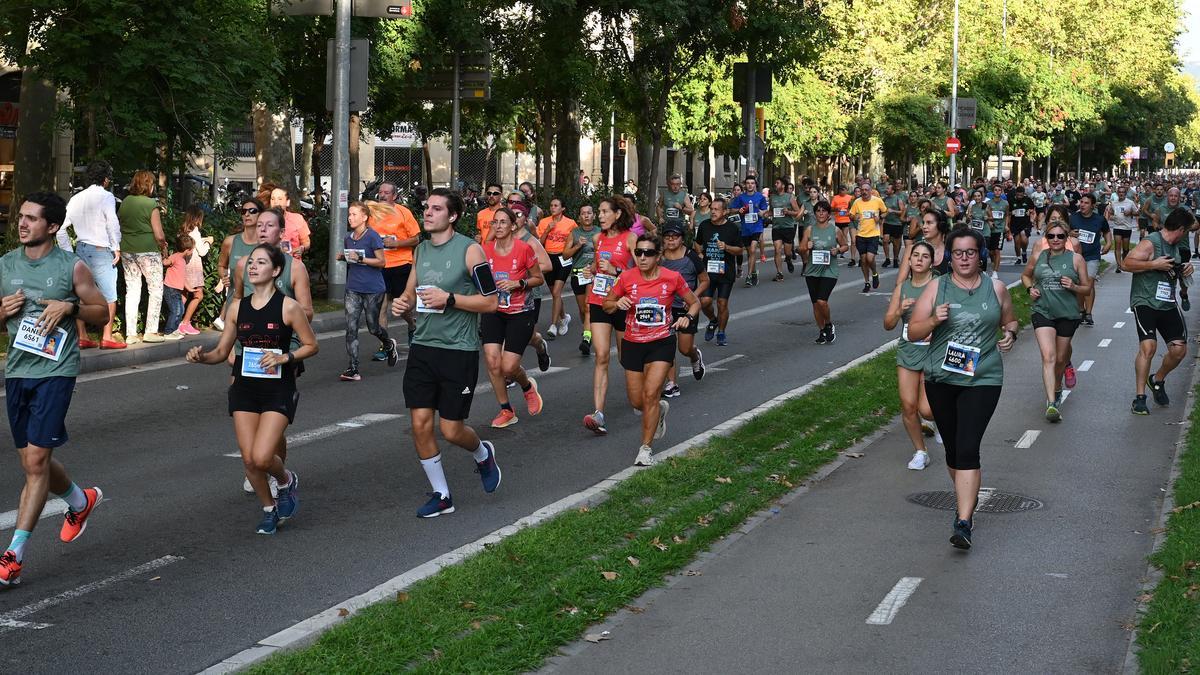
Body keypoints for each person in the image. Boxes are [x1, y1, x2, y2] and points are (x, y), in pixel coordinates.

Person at [0, 192, 110, 586]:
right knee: (34, 461)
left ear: (52, 227)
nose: (23, 223)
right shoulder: (6, 265)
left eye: (32, 218)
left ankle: (14, 554)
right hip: (17, 372)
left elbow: (102, 312)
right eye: (21, 217)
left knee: (34, 464)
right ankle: (81, 502)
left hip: (55, 371)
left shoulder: (71, 267)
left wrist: (70, 308)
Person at [187, 244, 318, 534]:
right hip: (244, 387)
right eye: (251, 263)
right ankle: (269, 508)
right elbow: (222, 351)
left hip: (278, 388)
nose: (253, 267)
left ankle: (285, 480)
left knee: (261, 456)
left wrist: (286, 357)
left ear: (276, 270)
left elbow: (312, 345)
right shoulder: (237, 307)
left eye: (261, 262)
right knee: (249, 460)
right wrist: (202, 357)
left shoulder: (288, 306)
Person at [393, 188, 501, 517]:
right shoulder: (422, 250)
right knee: (421, 424)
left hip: (458, 350)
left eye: (436, 209)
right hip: (423, 349)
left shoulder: (470, 251)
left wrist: (450, 299)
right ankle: (442, 494)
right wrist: (403, 305)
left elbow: (492, 302)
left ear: (452, 216)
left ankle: (482, 453)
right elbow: (410, 293)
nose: (427, 212)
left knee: (451, 430)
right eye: (426, 207)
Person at [908, 228, 1017, 550]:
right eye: (958, 253)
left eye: (971, 252)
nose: (965, 258)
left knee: (969, 447)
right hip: (942, 379)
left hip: (983, 378)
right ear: (949, 257)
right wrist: (932, 322)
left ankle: (964, 521)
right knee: (954, 450)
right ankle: (964, 499)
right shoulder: (935, 288)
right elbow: (913, 331)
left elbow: (1010, 320)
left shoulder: (995, 288)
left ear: (980, 254)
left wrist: (1011, 333)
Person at [603, 234, 701, 467]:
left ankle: (645, 449)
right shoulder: (626, 277)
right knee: (637, 401)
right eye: (638, 253)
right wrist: (616, 304)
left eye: (648, 253)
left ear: (658, 256)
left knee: (650, 395)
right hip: (633, 343)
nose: (642, 258)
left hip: (661, 342)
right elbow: (606, 304)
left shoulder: (672, 278)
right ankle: (659, 411)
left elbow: (694, 302)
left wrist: (687, 317)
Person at [1124, 208, 1194, 415]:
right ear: (1181, 229)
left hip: (1167, 302)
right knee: (1149, 347)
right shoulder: (1151, 242)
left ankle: (1157, 379)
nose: (1187, 234)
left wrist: (1186, 269)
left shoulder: (1176, 246)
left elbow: (1174, 270)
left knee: (1179, 350)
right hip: (1144, 301)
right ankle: (1139, 398)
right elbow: (1127, 263)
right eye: (1187, 230)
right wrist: (1154, 263)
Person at [481, 207, 545, 428]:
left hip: (520, 312)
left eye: (502, 222)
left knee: (508, 368)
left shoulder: (524, 249)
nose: (498, 226)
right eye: (494, 222)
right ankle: (506, 410)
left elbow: (538, 278)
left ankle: (527, 387)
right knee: (492, 361)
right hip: (494, 311)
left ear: (512, 225)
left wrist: (518, 283)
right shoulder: (485, 250)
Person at [1022, 220, 1091, 421]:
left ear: (1066, 238)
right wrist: (1029, 289)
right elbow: (1026, 276)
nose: (1055, 240)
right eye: (1051, 236)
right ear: (1046, 238)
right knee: (1048, 357)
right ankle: (1051, 403)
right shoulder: (1039, 256)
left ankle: (1057, 386)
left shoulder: (1076, 259)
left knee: (1061, 359)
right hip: (1042, 311)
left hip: (1068, 314)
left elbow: (1087, 288)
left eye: (1060, 236)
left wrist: (1074, 287)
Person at [583, 196, 639, 435]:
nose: (600, 216)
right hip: (599, 301)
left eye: (605, 211)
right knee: (601, 356)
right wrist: (592, 270)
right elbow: (598, 266)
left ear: (617, 214)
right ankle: (598, 413)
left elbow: (640, 272)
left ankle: (642, 398)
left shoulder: (631, 238)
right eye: (599, 211)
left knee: (625, 359)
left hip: (623, 303)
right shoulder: (598, 239)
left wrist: (616, 270)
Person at [56, 160, 124, 349]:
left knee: (81, 294)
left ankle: (82, 336)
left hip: (81, 249)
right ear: (105, 179)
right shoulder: (106, 196)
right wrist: (116, 246)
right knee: (110, 296)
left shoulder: (76, 198)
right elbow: (112, 222)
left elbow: (60, 228)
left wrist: (68, 252)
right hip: (101, 250)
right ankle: (107, 336)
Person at [884, 241, 937, 470]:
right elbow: (887, 324)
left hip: (933, 352)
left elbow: (952, 316)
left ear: (931, 262)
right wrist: (898, 310)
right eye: (915, 255)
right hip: (908, 350)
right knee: (908, 406)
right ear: (909, 260)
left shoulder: (938, 285)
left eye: (925, 256)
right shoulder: (902, 288)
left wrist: (934, 329)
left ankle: (942, 422)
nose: (919, 259)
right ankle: (920, 451)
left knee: (927, 410)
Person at [336, 202, 398, 381]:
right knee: (351, 328)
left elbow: (381, 262)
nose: (350, 217)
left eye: (354, 214)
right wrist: (344, 257)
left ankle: (388, 344)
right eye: (349, 214)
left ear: (364, 217)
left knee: (373, 327)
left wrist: (361, 258)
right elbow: (353, 259)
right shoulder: (349, 237)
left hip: (373, 289)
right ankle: (353, 368)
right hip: (353, 288)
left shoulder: (373, 236)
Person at [118, 170, 169, 343]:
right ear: (149, 185)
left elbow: (120, 224)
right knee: (155, 290)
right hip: (148, 250)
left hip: (127, 250)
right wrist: (164, 247)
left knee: (132, 290)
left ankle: (131, 334)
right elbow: (159, 234)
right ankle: (150, 331)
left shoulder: (125, 202)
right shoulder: (150, 204)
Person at [370, 182, 422, 352]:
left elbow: (416, 239)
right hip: (379, 265)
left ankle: (412, 324)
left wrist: (396, 243)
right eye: (380, 192)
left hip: (401, 264)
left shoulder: (403, 212)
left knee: (403, 307)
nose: (382, 195)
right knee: (381, 307)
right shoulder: (372, 213)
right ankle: (385, 345)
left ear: (394, 196)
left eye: (386, 193)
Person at [659, 221, 708, 397]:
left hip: (686, 307)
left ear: (682, 238)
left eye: (675, 237)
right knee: (667, 346)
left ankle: (695, 357)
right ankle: (672, 383)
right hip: (665, 308)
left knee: (684, 348)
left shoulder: (691, 257)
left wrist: (693, 297)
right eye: (667, 237)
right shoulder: (659, 257)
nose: (671, 240)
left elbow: (705, 280)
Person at [694, 197, 742, 347]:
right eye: (712, 209)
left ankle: (721, 331)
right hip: (708, 271)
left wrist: (726, 247)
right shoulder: (704, 225)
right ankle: (713, 320)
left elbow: (740, 250)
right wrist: (700, 253)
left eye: (716, 209)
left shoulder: (732, 228)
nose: (713, 212)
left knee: (722, 303)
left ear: (725, 212)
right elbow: (697, 243)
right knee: (705, 302)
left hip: (726, 271)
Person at [800, 201, 848, 343]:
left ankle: (828, 324)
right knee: (815, 304)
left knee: (822, 301)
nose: (821, 213)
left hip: (829, 270)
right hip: (812, 271)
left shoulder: (835, 230)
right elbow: (801, 249)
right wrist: (806, 246)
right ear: (815, 214)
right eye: (818, 211)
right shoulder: (809, 230)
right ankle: (822, 331)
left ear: (828, 214)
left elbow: (845, 245)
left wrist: (838, 250)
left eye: (824, 211)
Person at [215, 198, 263, 332]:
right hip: (235, 305)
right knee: (231, 350)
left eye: (252, 211)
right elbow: (221, 266)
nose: (247, 214)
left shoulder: (266, 244)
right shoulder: (230, 242)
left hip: (260, 307)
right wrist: (223, 276)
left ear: (261, 214)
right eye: (243, 211)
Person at [537, 197, 577, 339]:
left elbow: (574, 241)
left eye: (556, 205)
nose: (553, 208)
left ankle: (553, 325)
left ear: (562, 208)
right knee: (555, 294)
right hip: (548, 258)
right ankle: (564, 316)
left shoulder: (570, 223)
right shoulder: (544, 222)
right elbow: (539, 243)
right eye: (551, 205)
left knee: (556, 292)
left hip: (563, 259)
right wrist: (547, 230)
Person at [1069, 193, 1111, 326]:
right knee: (1079, 284)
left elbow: (1107, 232)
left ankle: (1088, 313)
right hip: (1075, 256)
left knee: (1088, 283)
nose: (1082, 205)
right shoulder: (1073, 218)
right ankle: (1080, 310)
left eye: (1086, 203)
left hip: (1092, 256)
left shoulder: (1099, 219)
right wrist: (1069, 233)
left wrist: (1109, 243)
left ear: (1093, 206)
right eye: (1081, 202)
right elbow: (1062, 232)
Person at [564, 203, 600, 355]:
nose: (586, 215)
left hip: (594, 274)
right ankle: (588, 331)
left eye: (589, 213)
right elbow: (565, 255)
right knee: (582, 309)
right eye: (583, 213)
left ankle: (587, 337)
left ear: (594, 215)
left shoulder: (600, 232)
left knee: (588, 307)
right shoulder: (574, 233)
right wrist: (578, 245)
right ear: (579, 217)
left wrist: (595, 265)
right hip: (578, 274)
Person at [729, 176, 768, 286]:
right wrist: (739, 210)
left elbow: (765, 210)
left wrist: (762, 212)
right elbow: (732, 210)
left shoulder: (760, 197)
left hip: (757, 227)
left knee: (752, 250)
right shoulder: (741, 197)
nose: (750, 185)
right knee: (750, 252)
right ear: (745, 185)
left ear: (755, 184)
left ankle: (749, 276)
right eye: (748, 183)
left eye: (752, 183)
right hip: (745, 228)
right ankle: (754, 272)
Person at [162, 233, 202, 339]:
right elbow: (165, 262)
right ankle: (168, 332)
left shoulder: (182, 260)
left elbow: (183, 278)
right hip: (170, 288)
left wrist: (190, 289)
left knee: (180, 310)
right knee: (176, 310)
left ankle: (174, 330)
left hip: (176, 290)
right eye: (192, 249)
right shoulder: (175, 257)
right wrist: (164, 251)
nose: (192, 251)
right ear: (187, 250)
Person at [850, 184, 887, 292]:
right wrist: (854, 217)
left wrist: (879, 217)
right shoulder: (857, 202)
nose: (864, 192)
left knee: (870, 258)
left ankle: (874, 274)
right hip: (861, 235)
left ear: (871, 191)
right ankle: (866, 282)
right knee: (863, 260)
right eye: (862, 190)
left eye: (866, 190)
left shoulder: (877, 200)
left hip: (873, 234)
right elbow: (851, 215)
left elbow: (885, 211)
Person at [769, 177, 801, 280]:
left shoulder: (790, 197)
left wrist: (788, 212)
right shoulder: (772, 197)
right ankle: (780, 273)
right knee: (777, 250)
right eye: (775, 183)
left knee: (788, 252)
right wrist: (765, 214)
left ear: (783, 186)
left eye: (777, 183)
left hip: (788, 227)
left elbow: (798, 212)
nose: (775, 184)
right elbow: (771, 211)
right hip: (776, 227)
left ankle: (788, 259)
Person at [268, 187, 312, 259]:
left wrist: (301, 248)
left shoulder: (297, 219)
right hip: (270, 265)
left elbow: (306, 242)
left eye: (280, 199)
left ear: (287, 202)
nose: (275, 202)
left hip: (293, 265)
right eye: (272, 199)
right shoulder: (264, 220)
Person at [1106, 184, 1138, 273]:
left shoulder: (1130, 202)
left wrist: (1131, 212)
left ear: (1125, 193)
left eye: (1123, 192)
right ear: (1117, 193)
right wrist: (1111, 216)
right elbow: (1110, 213)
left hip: (1127, 227)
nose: (1121, 194)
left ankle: (1124, 261)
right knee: (1117, 246)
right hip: (1117, 227)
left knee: (1126, 249)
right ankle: (1119, 265)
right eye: (1119, 192)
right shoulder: (1114, 203)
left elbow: (1137, 213)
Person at [983, 184, 1010, 278]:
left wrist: (1006, 225)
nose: (997, 191)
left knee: (997, 250)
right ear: (993, 192)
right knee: (990, 252)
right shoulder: (988, 203)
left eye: (999, 190)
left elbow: (1007, 215)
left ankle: (995, 271)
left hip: (1000, 229)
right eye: (995, 190)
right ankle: (994, 263)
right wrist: (989, 222)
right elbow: (986, 215)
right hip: (990, 230)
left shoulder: (1005, 203)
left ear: (1001, 191)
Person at [1008, 187, 1036, 265]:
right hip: (1015, 223)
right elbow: (1007, 212)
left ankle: (1024, 252)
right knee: (1017, 242)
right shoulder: (1011, 200)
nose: (1019, 196)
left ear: (1023, 194)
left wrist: (1029, 212)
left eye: (1021, 195)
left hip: (1025, 223)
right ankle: (1018, 258)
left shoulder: (1027, 200)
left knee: (1024, 239)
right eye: (1018, 195)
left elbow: (1033, 209)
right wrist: (1011, 212)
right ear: (1016, 194)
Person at [830, 185, 854, 264]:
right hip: (838, 220)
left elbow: (853, 207)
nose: (841, 191)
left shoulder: (850, 198)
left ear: (846, 190)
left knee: (844, 235)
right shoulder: (835, 198)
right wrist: (836, 209)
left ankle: (842, 249)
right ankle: (840, 249)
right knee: (838, 236)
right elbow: (830, 208)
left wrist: (848, 211)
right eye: (840, 190)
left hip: (846, 219)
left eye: (843, 190)